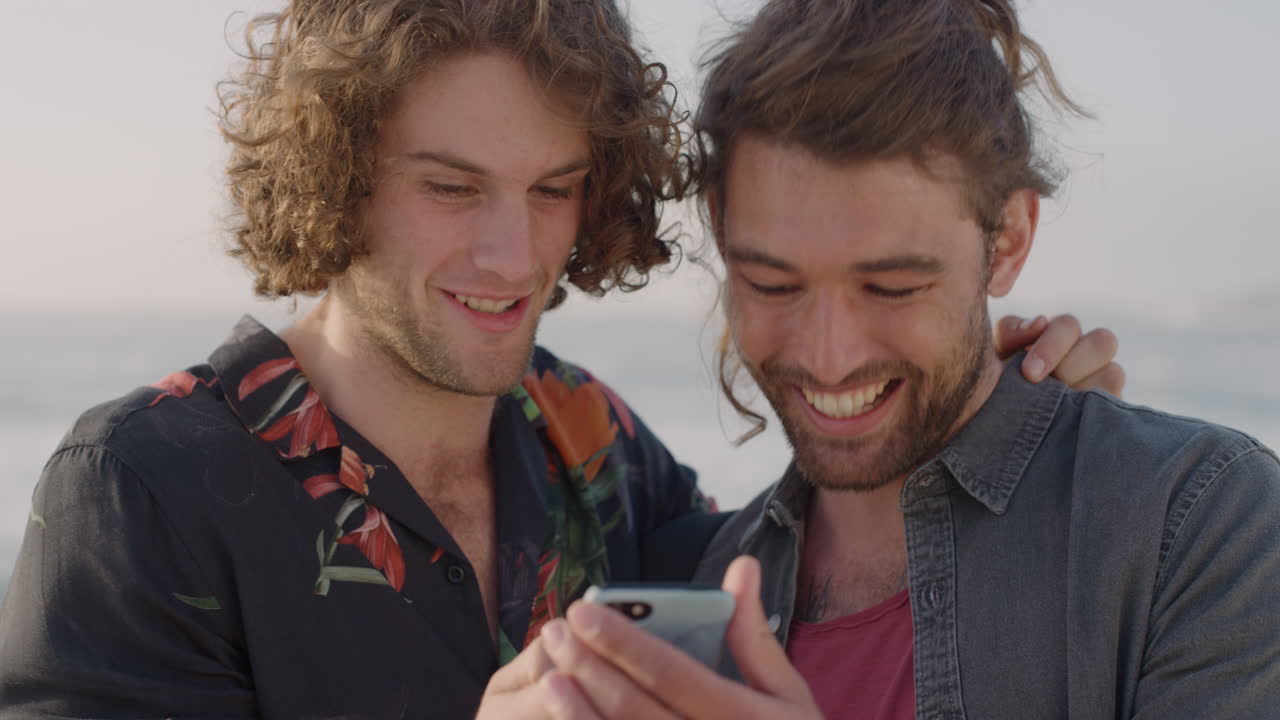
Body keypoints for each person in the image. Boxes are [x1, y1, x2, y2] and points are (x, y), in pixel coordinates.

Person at [0, 1, 1121, 718]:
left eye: (553, 189)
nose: (514, 254)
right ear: (335, 177)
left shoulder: (596, 445)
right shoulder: (140, 487)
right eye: (451, 187)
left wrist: (988, 407)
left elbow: (816, 557)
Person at [521, 0, 1280, 718]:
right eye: (774, 284)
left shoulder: (1199, 525)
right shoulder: (685, 577)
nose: (828, 357)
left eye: (890, 288)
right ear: (721, 231)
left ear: (1007, 238)